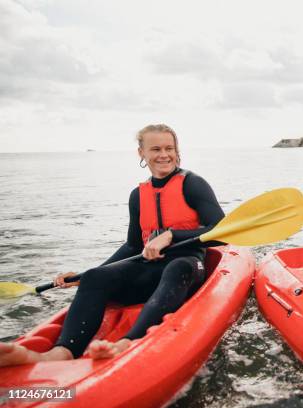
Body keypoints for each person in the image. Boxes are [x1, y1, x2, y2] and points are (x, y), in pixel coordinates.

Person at [0, 124, 224, 364]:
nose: (164, 155)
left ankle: (128, 343)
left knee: (177, 266)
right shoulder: (138, 195)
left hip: (186, 271)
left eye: (169, 148)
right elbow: (132, 246)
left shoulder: (193, 183)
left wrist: (171, 235)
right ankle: (61, 352)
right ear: (141, 153)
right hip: (150, 274)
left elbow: (221, 232)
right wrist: (83, 276)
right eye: (155, 148)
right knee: (96, 277)